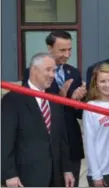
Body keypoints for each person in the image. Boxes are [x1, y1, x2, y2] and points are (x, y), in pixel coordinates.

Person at [22, 30, 86, 186]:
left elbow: (77, 113)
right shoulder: (33, 72)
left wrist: (78, 100)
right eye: (62, 50)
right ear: (50, 49)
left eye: (69, 49)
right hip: (45, 142)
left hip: (70, 141)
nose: (67, 54)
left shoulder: (74, 73)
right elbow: (30, 106)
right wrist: (61, 98)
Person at [1, 53, 74, 187]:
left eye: (54, 70)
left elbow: (62, 139)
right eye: (48, 69)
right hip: (25, 177)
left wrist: (67, 169)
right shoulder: (13, 99)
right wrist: (9, 174)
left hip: (55, 176)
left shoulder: (55, 100)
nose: (52, 75)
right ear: (34, 69)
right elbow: (5, 140)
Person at [83, 63, 109, 187]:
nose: (107, 85)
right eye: (102, 81)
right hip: (101, 171)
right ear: (96, 84)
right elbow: (89, 143)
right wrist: (96, 174)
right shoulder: (90, 107)